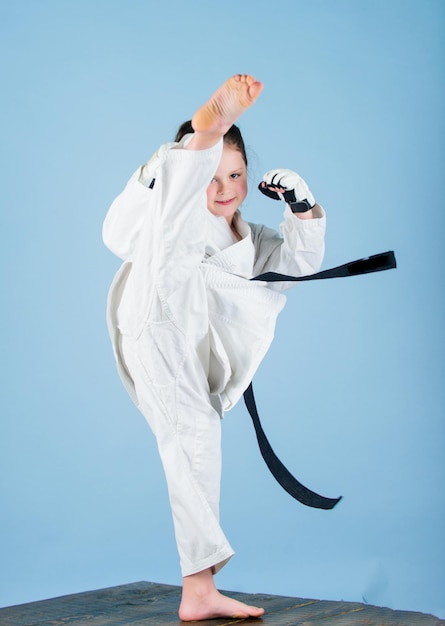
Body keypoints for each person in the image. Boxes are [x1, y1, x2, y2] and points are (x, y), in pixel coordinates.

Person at [103, 74, 326, 621]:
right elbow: (118, 233)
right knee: (174, 226)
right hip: (156, 317)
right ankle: (203, 136)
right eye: (213, 175)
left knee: (198, 445)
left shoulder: (249, 240)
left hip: (189, 351)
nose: (225, 189)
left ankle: (198, 587)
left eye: (236, 174)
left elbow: (297, 266)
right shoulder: (167, 216)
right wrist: (168, 165)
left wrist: (303, 210)